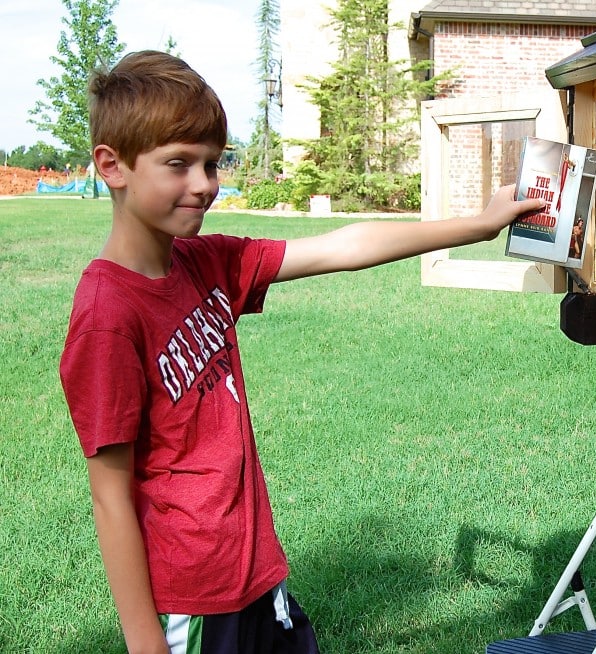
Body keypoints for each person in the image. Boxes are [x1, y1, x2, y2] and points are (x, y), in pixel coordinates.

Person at [58, 50, 544, 654]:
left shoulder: (206, 263)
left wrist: (474, 226)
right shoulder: (108, 316)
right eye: (178, 164)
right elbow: (109, 494)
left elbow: (340, 246)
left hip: (256, 568)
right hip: (191, 600)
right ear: (112, 166)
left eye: (212, 163)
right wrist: (144, 642)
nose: (204, 184)